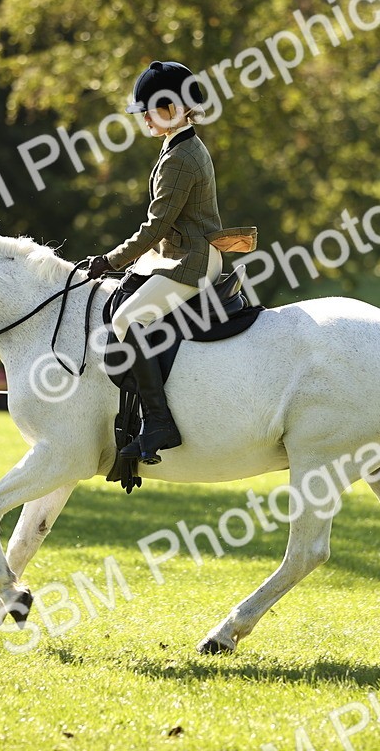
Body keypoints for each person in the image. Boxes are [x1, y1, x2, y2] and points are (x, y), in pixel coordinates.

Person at [87, 60, 256, 464]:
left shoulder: (182, 157)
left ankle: (160, 421)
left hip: (191, 262)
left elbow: (155, 225)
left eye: (150, 109)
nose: (144, 117)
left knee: (128, 319)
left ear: (173, 108)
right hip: (179, 252)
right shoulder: (178, 144)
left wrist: (110, 260)